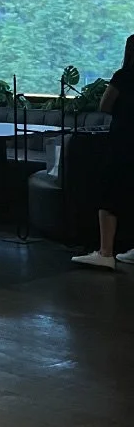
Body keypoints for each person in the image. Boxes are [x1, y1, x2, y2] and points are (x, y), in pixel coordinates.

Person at [73, 33, 134, 270]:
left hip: (123, 139)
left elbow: (105, 105)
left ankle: (105, 251)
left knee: (109, 192)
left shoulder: (123, 76)